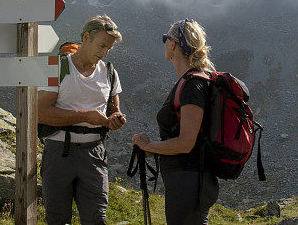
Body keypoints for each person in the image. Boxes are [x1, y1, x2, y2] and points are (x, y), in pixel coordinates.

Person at [38, 15, 127, 225]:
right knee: (57, 219)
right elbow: (41, 112)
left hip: (94, 153)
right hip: (58, 151)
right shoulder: (57, 67)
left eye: (109, 49)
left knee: (97, 219)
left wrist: (114, 119)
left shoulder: (109, 73)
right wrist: (86, 117)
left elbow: (114, 109)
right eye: (101, 45)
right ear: (86, 38)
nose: (104, 52)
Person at [131, 18, 219, 225]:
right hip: (192, 181)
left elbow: (186, 143)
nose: (164, 43)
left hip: (188, 182)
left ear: (173, 44)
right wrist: (149, 150)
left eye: (165, 38)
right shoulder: (195, 82)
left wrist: (150, 146)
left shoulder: (192, 86)